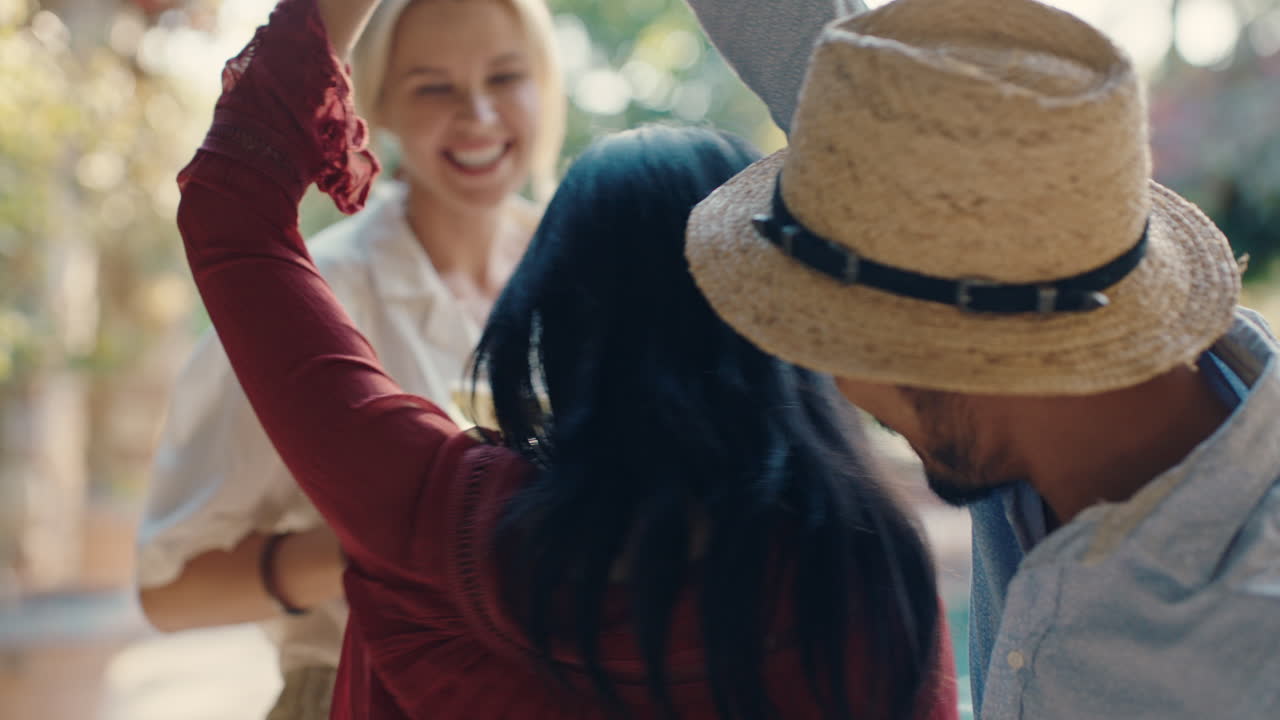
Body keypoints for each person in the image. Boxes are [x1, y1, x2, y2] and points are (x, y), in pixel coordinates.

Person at [167, 0, 962, 717]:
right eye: (434, 86)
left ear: (545, 308)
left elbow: (231, 215)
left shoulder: (439, 518)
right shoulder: (869, 574)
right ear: (775, 320)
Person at [684, 0, 1280, 717]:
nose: (838, 384)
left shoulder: (1252, 652)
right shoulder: (1029, 367)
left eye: (832, 337)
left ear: (964, 351)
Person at [135, 0, 564, 716]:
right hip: (353, 694)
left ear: (547, 86)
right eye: (435, 86)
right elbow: (170, 590)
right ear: (379, 101)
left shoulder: (584, 270)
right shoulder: (315, 298)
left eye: (506, 76)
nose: (479, 115)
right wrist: (386, 550)